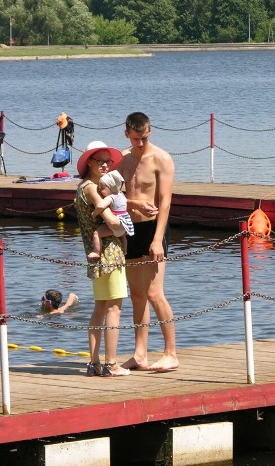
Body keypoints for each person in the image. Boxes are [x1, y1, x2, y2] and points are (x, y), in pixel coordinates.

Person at [118, 112, 179, 372]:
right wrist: (132, 204)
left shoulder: (161, 159)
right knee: (137, 295)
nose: (140, 143)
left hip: (154, 228)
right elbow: (115, 195)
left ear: (150, 131)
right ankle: (140, 354)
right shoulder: (122, 158)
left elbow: (165, 201)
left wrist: (157, 239)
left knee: (155, 293)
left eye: (143, 138)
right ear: (127, 135)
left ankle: (171, 353)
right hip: (131, 229)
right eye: (135, 139)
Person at [74, 140, 131, 377]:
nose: (107, 166)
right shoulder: (91, 188)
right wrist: (123, 225)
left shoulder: (83, 186)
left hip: (95, 254)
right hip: (109, 253)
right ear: (89, 162)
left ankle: (94, 363)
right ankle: (111, 364)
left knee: (100, 307)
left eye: (109, 161)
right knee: (114, 308)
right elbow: (113, 220)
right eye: (101, 161)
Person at [89, 170, 134, 262]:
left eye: (102, 188)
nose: (100, 190)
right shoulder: (121, 195)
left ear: (111, 187)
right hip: (125, 223)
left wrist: (94, 213)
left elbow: (101, 206)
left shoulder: (111, 197)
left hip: (117, 221)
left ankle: (96, 252)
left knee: (97, 234)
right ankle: (125, 250)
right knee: (122, 236)